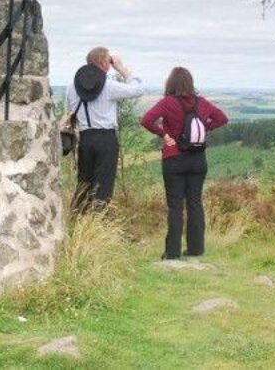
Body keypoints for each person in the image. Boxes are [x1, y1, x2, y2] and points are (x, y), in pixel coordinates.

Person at [141, 67, 228, 260]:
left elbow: (146, 120)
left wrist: (164, 135)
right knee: (195, 203)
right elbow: (222, 118)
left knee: (175, 206)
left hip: (174, 159)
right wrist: (204, 128)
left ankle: (172, 252)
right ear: (190, 83)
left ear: (170, 83)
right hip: (198, 160)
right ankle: (196, 249)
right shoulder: (201, 102)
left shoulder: (167, 102)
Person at [66, 46, 143, 211]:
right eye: (109, 61)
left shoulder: (71, 86)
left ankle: (76, 222)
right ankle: (98, 225)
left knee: (84, 184)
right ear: (104, 63)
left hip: (85, 139)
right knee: (103, 185)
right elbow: (138, 89)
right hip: (106, 139)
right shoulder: (108, 85)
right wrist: (121, 67)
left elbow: (69, 112)